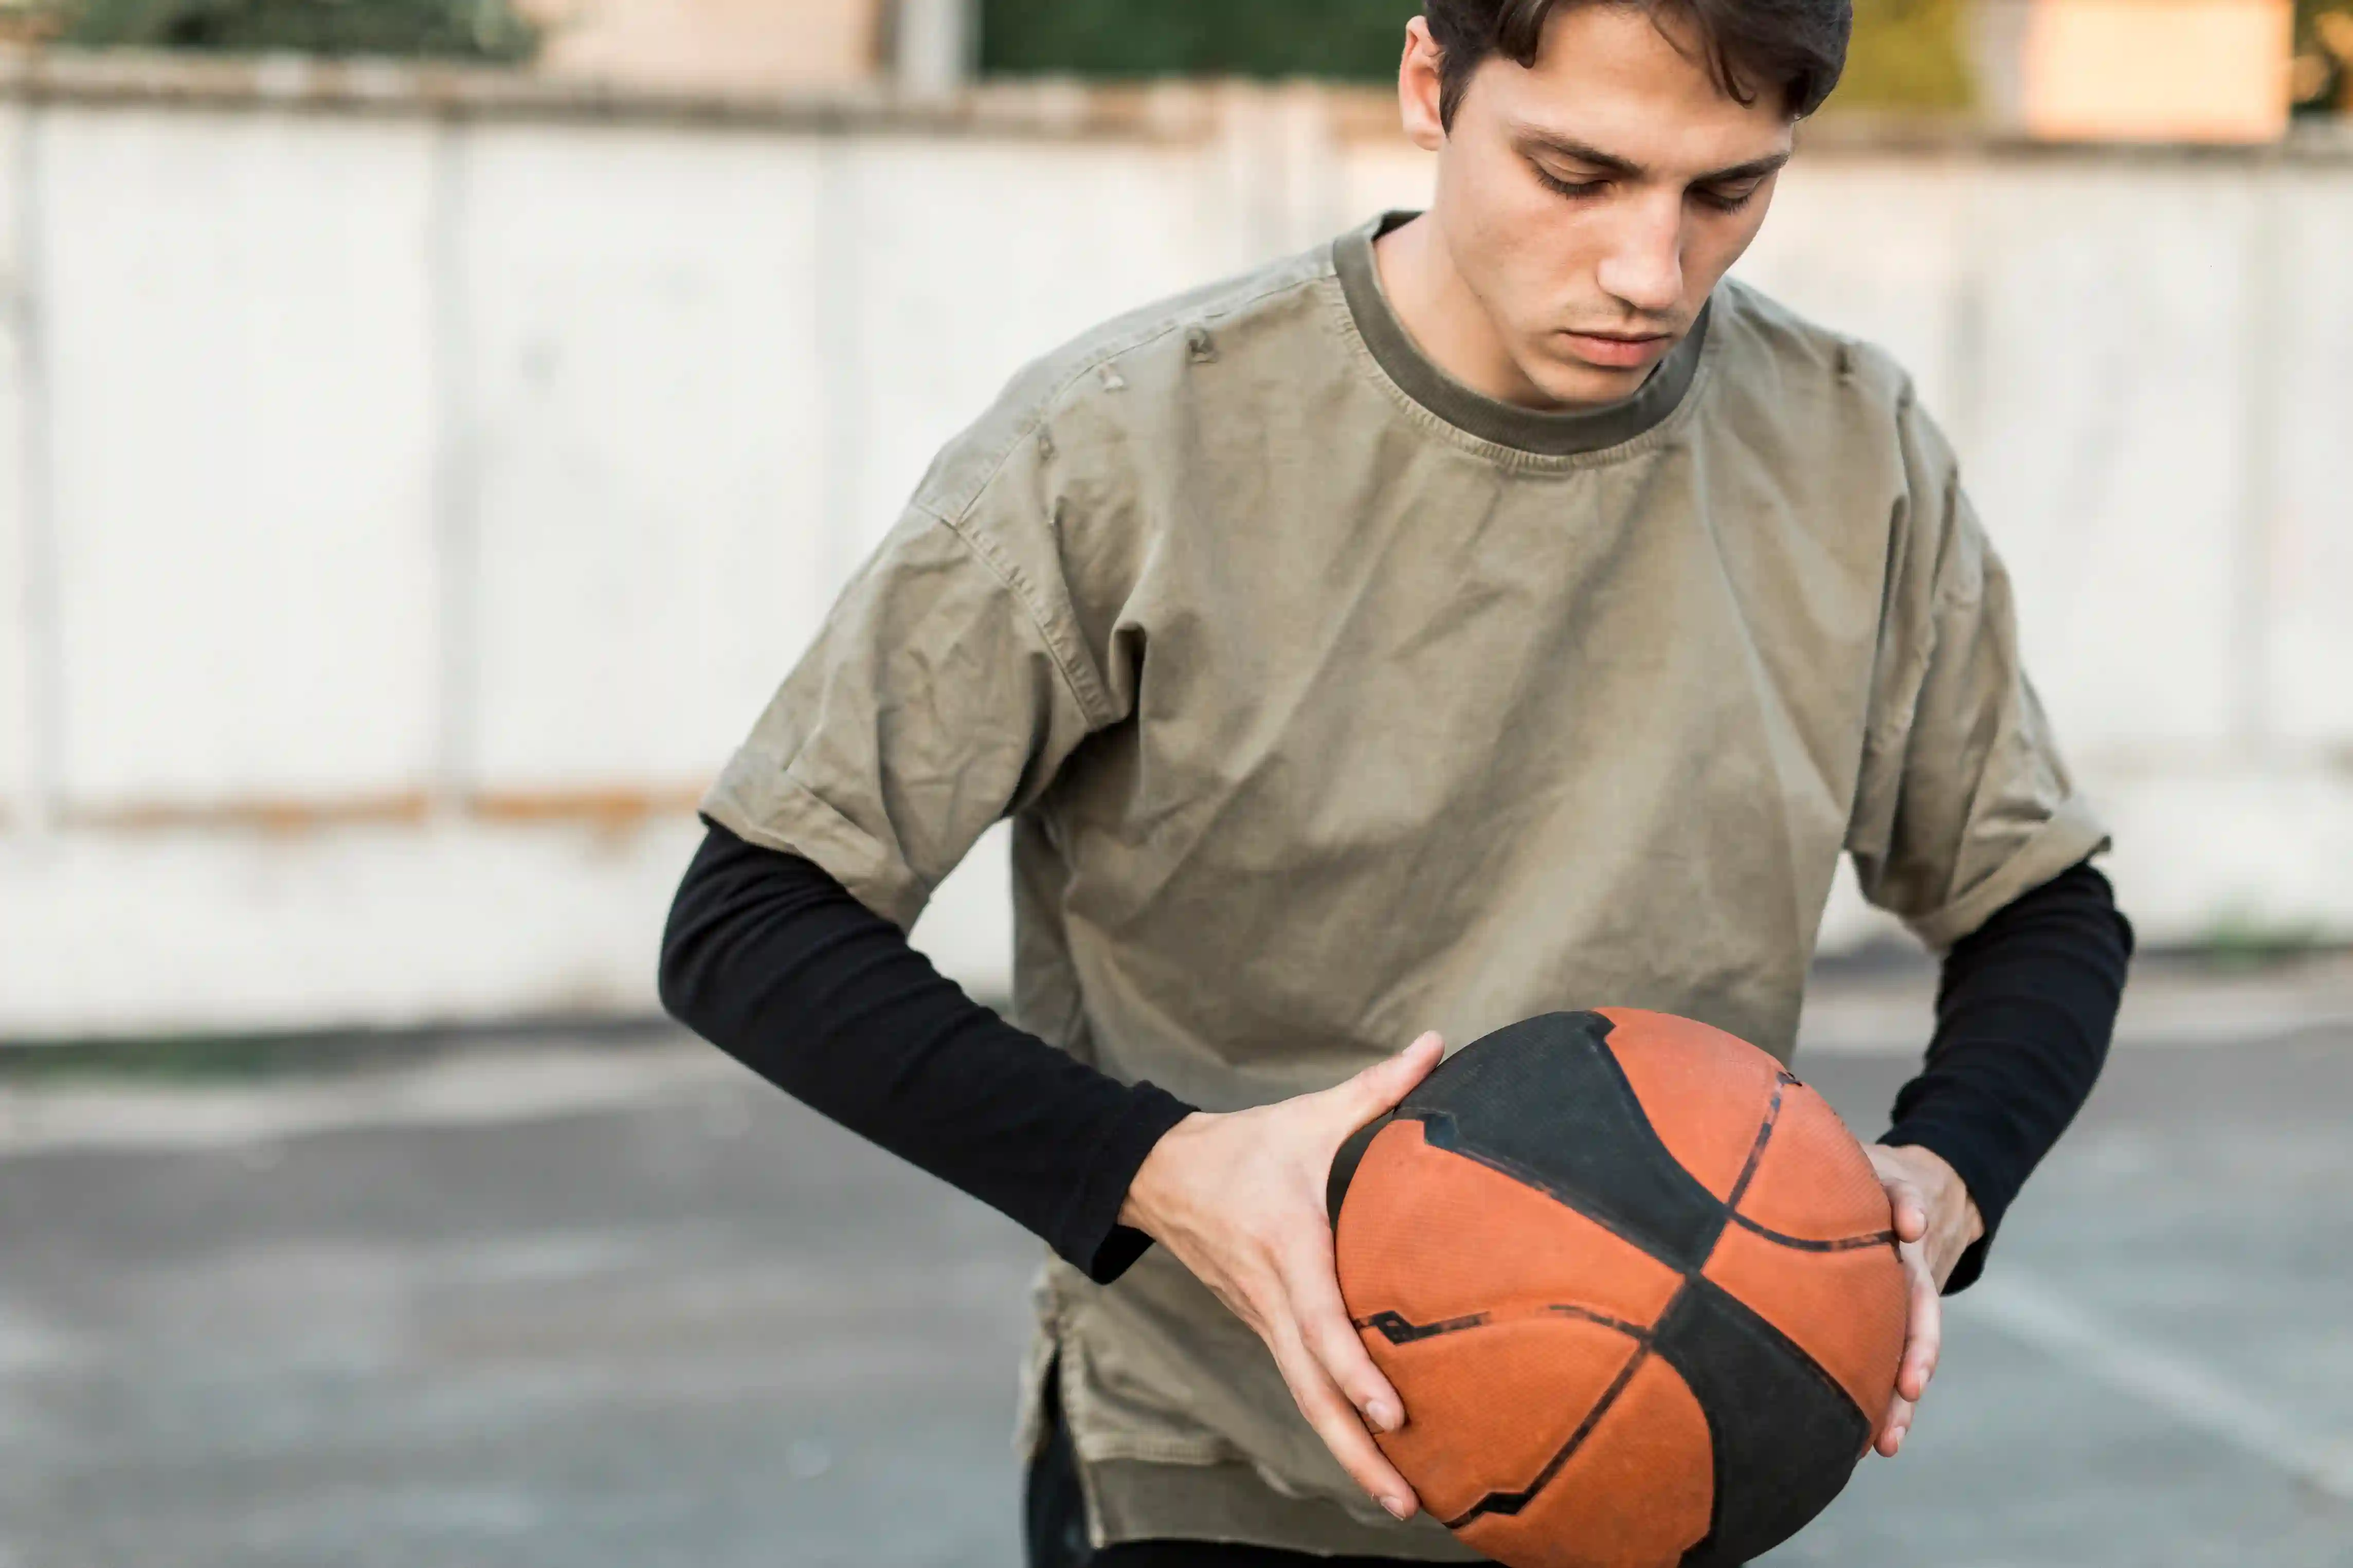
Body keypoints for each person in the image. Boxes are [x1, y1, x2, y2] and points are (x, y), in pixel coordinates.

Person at [658, 0, 2136, 1561]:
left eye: (1727, 193)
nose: (1655, 271)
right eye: (1578, 173)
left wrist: (1945, 1176)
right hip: (1213, 1483)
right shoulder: (1127, 447)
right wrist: (1160, 1170)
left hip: (1645, 1497)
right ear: (1431, 84)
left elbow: (2046, 905)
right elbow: (752, 922)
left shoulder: (1852, 449)